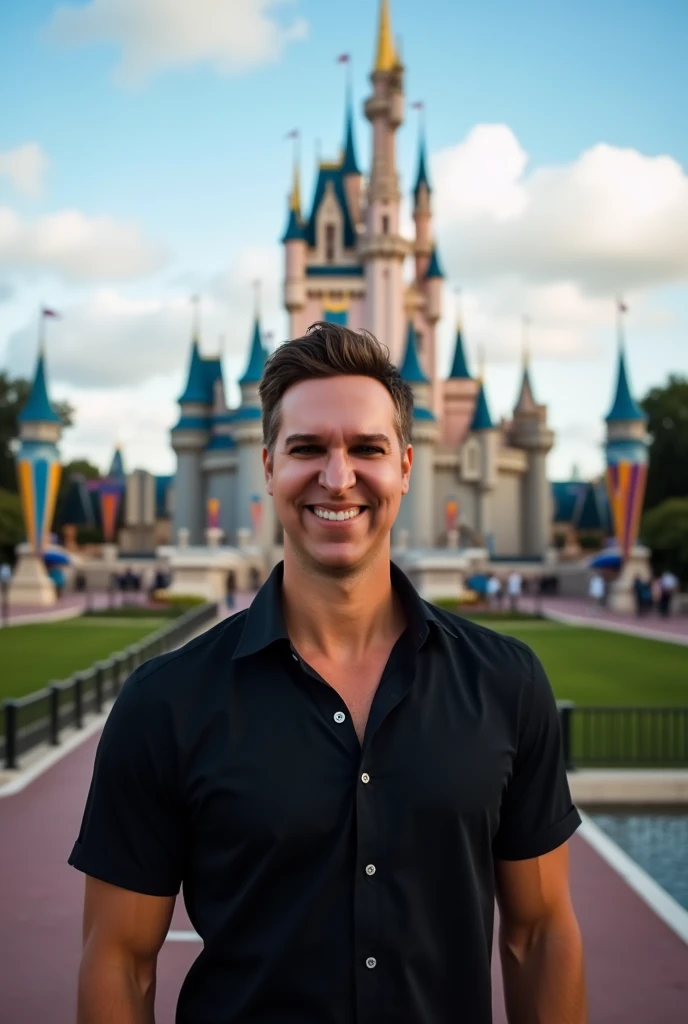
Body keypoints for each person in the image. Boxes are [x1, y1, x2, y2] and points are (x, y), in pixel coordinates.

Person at [69, 323, 586, 1024]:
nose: (337, 477)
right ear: (269, 466)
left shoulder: (505, 683)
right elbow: (120, 960)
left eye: (367, 449)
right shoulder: (167, 703)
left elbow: (539, 934)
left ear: (407, 465)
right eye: (307, 448)